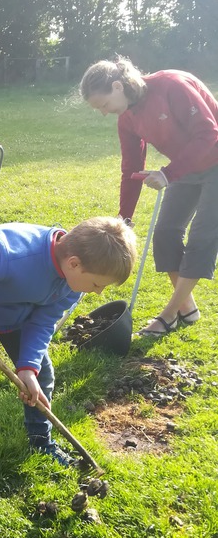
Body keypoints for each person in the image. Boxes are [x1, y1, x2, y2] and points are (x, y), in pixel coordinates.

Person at [0, 218, 137, 511]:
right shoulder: (9, 251)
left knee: (43, 373)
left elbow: (44, 321)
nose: (98, 292)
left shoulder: (73, 283)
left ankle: (41, 441)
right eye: (97, 284)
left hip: (17, 321)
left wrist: (28, 367)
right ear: (74, 263)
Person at [80, 57, 218, 337]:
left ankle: (169, 315)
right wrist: (124, 219)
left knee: (201, 238)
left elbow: (208, 134)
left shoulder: (172, 86)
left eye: (103, 105)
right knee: (165, 233)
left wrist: (169, 173)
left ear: (118, 86)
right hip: (185, 168)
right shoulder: (127, 119)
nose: (104, 113)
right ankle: (187, 308)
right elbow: (131, 169)